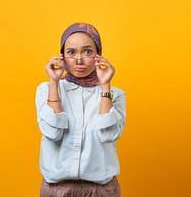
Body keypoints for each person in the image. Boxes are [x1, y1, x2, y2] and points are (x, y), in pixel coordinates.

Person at [35, 22, 126, 197]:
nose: (79, 60)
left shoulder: (116, 94)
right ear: (62, 56)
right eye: (71, 52)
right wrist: (54, 82)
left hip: (101, 190)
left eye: (87, 51)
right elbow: (52, 133)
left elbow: (108, 135)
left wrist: (105, 85)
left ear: (98, 54)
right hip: (57, 190)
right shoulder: (45, 89)